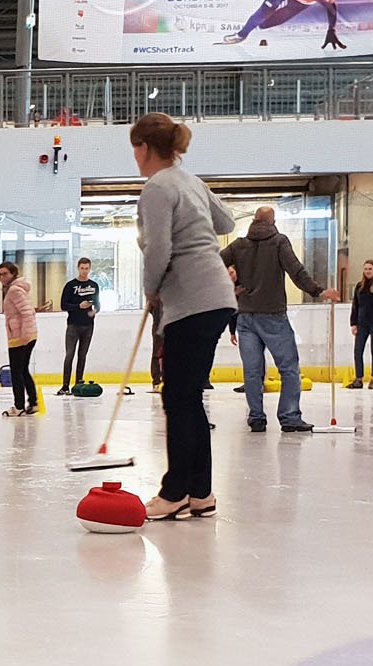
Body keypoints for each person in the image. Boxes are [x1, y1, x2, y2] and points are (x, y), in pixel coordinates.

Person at [127, 113, 237, 521]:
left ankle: (174, 492)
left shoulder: (157, 187)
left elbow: (158, 248)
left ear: (143, 148)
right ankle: (201, 493)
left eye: (134, 150)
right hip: (217, 297)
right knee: (189, 397)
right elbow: (225, 222)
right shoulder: (188, 179)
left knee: (178, 397)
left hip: (191, 299)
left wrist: (150, 287)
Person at [221, 206, 338, 433]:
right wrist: (319, 291)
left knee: (252, 372)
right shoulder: (278, 242)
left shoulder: (238, 245)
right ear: (272, 221)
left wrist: (231, 289)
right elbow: (296, 271)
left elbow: (212, 263)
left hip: (245, 317)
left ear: (254, 220)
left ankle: (256, 418)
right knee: (289, 368)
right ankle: (289, 416)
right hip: (273, 315)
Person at [0, 262, 41, 417]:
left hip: (20, 337)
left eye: (5, 274)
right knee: (23, 370)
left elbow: (27, 313)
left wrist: (24, 336)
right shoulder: (16, 289)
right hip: (24, 335)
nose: (1, 277)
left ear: (13, 274)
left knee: (16, 372)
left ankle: (19, 406)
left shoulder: (14, 290)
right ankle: (33, 402)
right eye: (0, 274)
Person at [58, 257, 100, 395]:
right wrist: (78, 306)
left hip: (88, 325)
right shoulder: (70, 285)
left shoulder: (94, 285)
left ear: (90, 269)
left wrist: (95, 311)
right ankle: (65, 385)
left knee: (82, 355)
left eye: (86, 268)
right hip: (73, 325)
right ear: (78, 268)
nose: (84, 271)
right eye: (82, 268)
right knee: (69, 354)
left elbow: (98, 304)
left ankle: (78, 383)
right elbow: (63, 305)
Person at [347, 260, 373, 389]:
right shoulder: (360, 286)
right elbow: (356, 305)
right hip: (362, 323)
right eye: (365, 269)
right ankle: (358, 378)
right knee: (358, 350)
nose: (367, 271)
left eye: (370, 269)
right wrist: (353, 323)